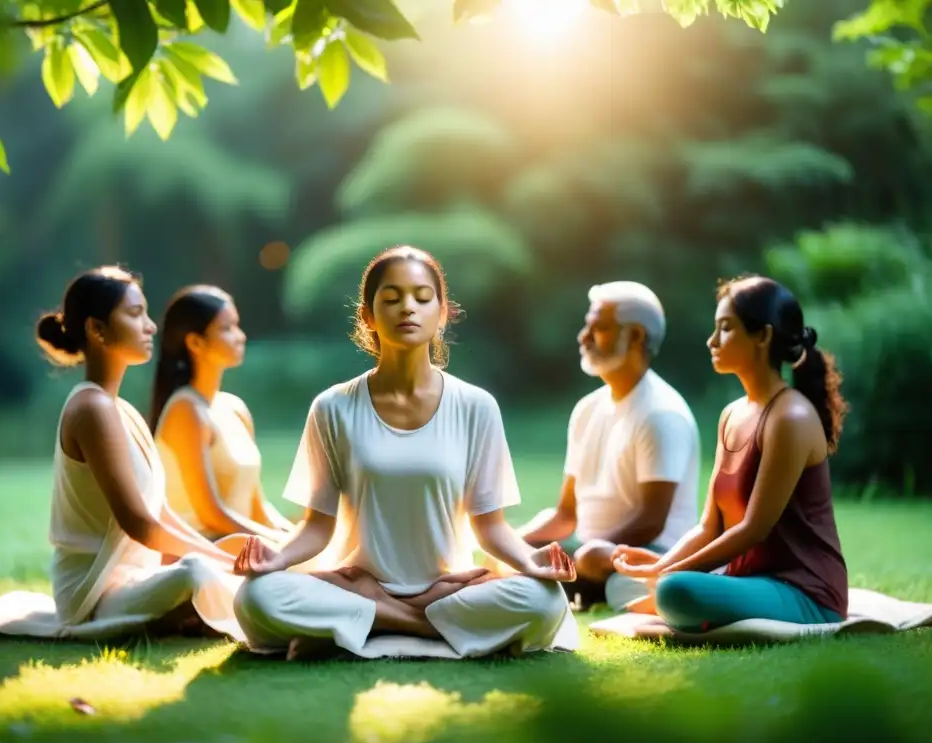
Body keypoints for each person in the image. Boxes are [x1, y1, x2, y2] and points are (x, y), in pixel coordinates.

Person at [232, 246, 580, 661]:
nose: (407, 308)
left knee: (545, 600)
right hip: (354, 582)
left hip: (449, 589)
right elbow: (316, 527)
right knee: (257, 596)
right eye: (392, 298)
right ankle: (420, 625)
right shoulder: (333, 406)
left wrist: (531, 561)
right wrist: (278, 557)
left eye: (421, 296)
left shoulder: (476, 406)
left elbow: (491, 527)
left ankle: (363, 623)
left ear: (442, 311)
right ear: (368, 315)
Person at [0, 266, 247, 641]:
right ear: (97, 329)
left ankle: (195, 613)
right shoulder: (91, 408)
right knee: (198, 572)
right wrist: (218, 560)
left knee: (211, 560)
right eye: (136, 314)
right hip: (94, 594)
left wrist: (221, 554)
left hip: (136, 580)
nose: (151, 326)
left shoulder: (122, 411)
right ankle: (200, 613)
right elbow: (139, 523)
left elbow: (160, 511)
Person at [613, 275, 849, 632]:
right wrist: (659, 567)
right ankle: (678, 595)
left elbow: (753, 529)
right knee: (666, 584)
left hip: (805, 590)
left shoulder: (791, 417)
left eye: (725, 328)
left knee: (676, 590)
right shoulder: (732, 415)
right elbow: (709, 525)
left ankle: (676, 598)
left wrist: (668, 573)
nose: (712, 340)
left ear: (763, 336)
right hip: (750, 579)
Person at [516, 281, 700, 613]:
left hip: (648, 553)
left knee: (588, 561)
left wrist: (578, 553)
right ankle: (571, 583)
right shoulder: (587, 409)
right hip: (590, 554)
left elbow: (651, 521)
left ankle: (578, 586)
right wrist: (512, 543)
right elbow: (565, 514)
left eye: (599, 327)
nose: (583, 336)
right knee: (514, 557)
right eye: (587, 326)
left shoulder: (662, 414)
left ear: (636, 337)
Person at [149, 285, 296, 545]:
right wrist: (281, 545)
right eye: (227, 329)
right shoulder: (186, 410)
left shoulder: (234, 408)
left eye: (237, 326)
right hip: (207, 553)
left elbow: (258, 507)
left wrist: (296, 539)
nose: (240, 336)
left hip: (246, 546)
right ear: (195, 342)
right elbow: (211, 515)